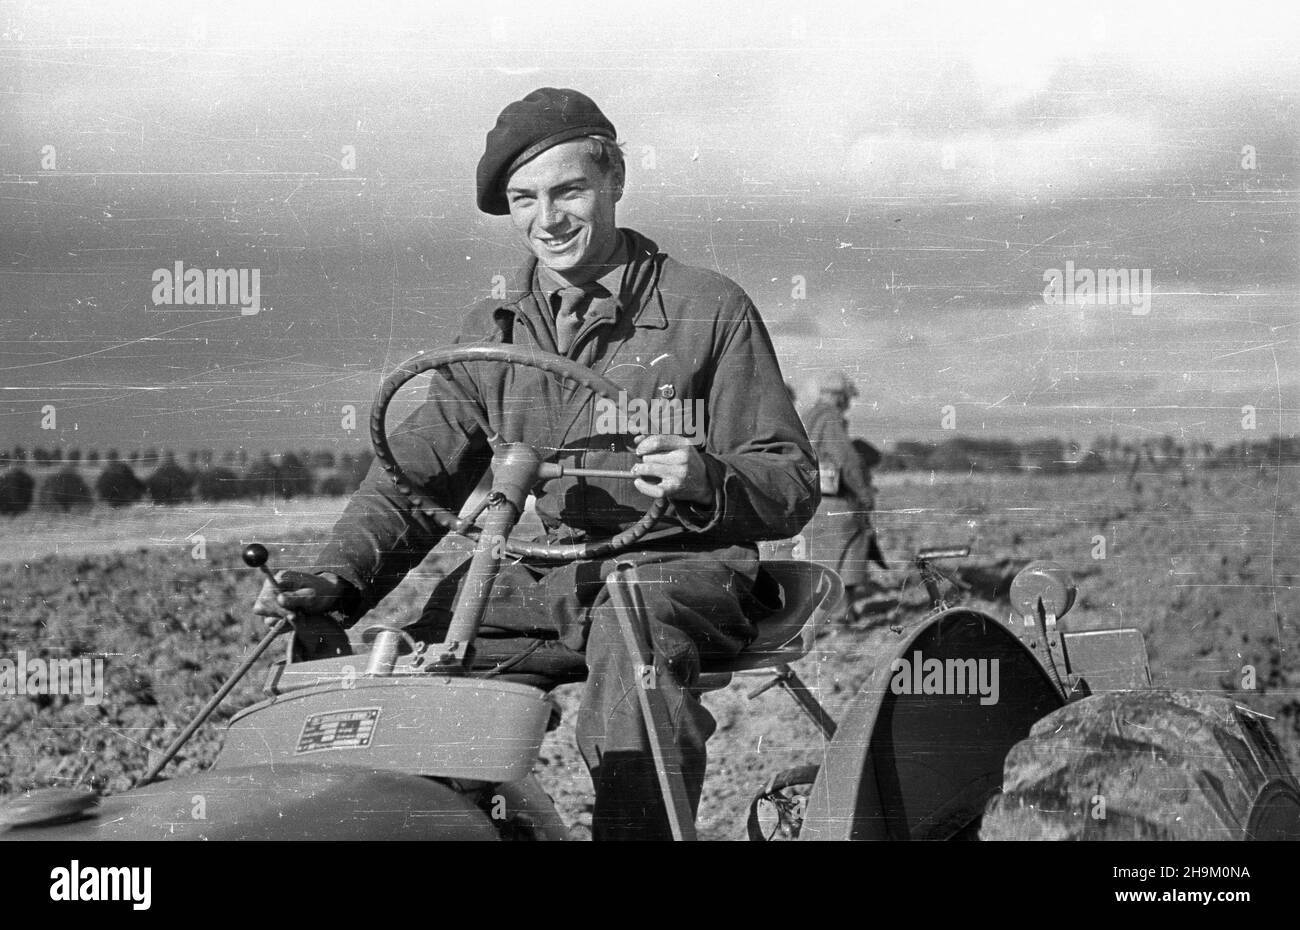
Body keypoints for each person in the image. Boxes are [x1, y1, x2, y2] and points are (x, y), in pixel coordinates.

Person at [252, 87, 819, 840]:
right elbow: (412, 477)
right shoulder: (493, 328)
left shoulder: (707, 309)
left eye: (568, 190)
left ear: (615, 180)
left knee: (633, 642)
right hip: (551, 572)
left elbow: (790, 477)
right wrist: (337, 579)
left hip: (680, 569)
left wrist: (706, 478)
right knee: (427, 663)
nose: (545, 220)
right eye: (524, 199)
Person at [801, 371, 884, 619]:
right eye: (848, 398)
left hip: (811, 500)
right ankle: (841, 614)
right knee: (854, 542)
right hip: (832, 501)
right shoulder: (830, 420)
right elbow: (847, 461)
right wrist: (864, 493)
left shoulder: (809, 416)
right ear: (841, 397)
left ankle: (837, 613)